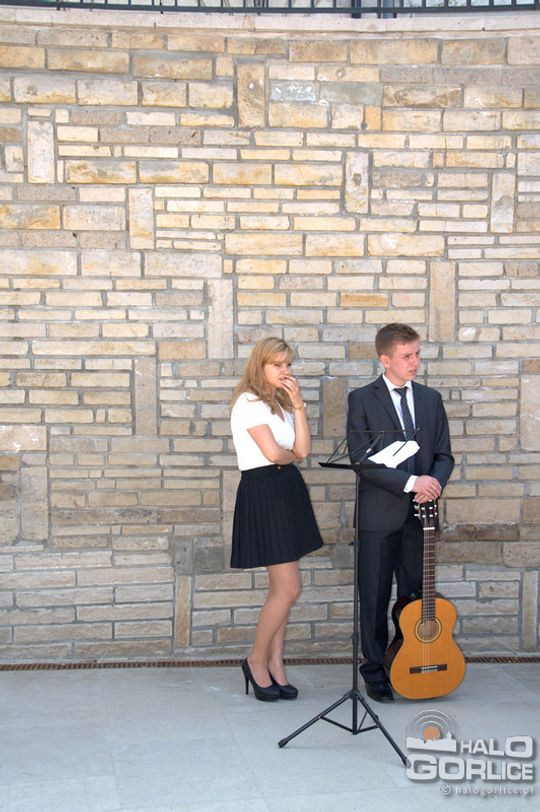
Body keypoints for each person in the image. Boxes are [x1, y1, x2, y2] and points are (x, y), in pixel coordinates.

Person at [346, 323, 454, 703]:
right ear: (385, 359)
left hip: (422, 517)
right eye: (407, 356)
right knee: (374, 598)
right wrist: (412, 483)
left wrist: (432, 484)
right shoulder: (362, 399)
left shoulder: (430, 399)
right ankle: (374, 671)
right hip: (378, 517)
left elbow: (444, 454)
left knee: (415, 597)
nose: (415, 362)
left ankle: (409, 661)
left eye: (417, 354)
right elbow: (361, 460)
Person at [230, 337, 323, 702]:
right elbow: (272, 453)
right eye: (277, 364)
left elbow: (302, 450)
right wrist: (289, 455)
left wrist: (298, 405)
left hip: (287, 489)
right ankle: (255, 659)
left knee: (280, 590)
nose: (285, 370)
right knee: (289, 589)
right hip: (265, 491)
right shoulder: (248, 401)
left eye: (288, 364)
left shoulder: (281, 403)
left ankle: (276, 664)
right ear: (260, 366)